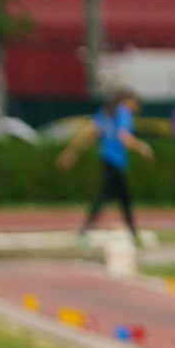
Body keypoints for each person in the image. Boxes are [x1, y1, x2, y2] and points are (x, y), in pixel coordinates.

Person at [60, 88, 152, 245]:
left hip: (107, 160)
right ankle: (84, 232)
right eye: (135, 102)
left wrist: (71, 152)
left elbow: (88, 132)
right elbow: (124, 137)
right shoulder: (123, 113)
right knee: (110, 197)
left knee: (122, 198)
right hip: (115, 162)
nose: (136, 106)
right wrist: (141, 147)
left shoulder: (105, 113)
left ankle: (131, 233)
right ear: (126, 100)